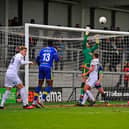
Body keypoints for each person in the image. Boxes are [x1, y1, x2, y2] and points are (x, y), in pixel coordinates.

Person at [32, 40, 59, 108]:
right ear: (53, 45)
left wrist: (40, 65)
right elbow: (57, 59)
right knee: (50, 85)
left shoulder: (42, 49)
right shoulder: (53, 50)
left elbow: (37, 59)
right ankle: (42, 100)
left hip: (41, 67)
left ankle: (34, 101)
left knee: (39, 85)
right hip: (48, 68)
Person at [79, 29, 99, 103]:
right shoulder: (84, 49)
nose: (87, 43)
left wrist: (97, 38)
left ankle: (86, 97)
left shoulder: (91, 50)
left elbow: (97, 45)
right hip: (86, 66)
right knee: (84, 81)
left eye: (87, 43)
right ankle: (81, 97)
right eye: (86, 43)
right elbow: (84, 41)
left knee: (88, 83)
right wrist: (86, 34)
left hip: (91, 67)